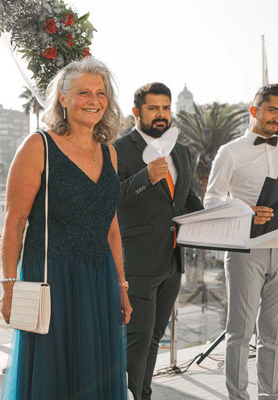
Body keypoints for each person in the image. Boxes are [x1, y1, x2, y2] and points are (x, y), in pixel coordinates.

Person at [0, 58, 131, 399]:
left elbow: (111, 228)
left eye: (101, 93)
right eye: (84, 91)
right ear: (63, 96)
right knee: (53, 375)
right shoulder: (37, 146)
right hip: (52, 278)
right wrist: (9, 286)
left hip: (100, 278)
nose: (94, 100)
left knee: (97, 373)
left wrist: (121, 285)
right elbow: (14, 223)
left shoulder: (110, 154)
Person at [114, 82, 203, 400]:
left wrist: (216, 217)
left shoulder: (181, 151)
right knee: (135, 341)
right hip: (137, 262)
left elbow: (186, 199)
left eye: (166, 108)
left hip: (172, 263)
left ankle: (143, 395)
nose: (161, 114)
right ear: (137, 112)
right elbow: (109, 200)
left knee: (153, 340)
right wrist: (144, 178)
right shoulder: (119, 149)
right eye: (153, 108)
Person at [204, 84, 278, 400]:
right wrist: (246, 211)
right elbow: (211, 199)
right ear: (254, 111)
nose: (277, 117)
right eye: (272, 109)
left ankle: (270, 394)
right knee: (240, 332)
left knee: (274, 334)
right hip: (246, 250)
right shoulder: (230, 151)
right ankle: (238, 396)